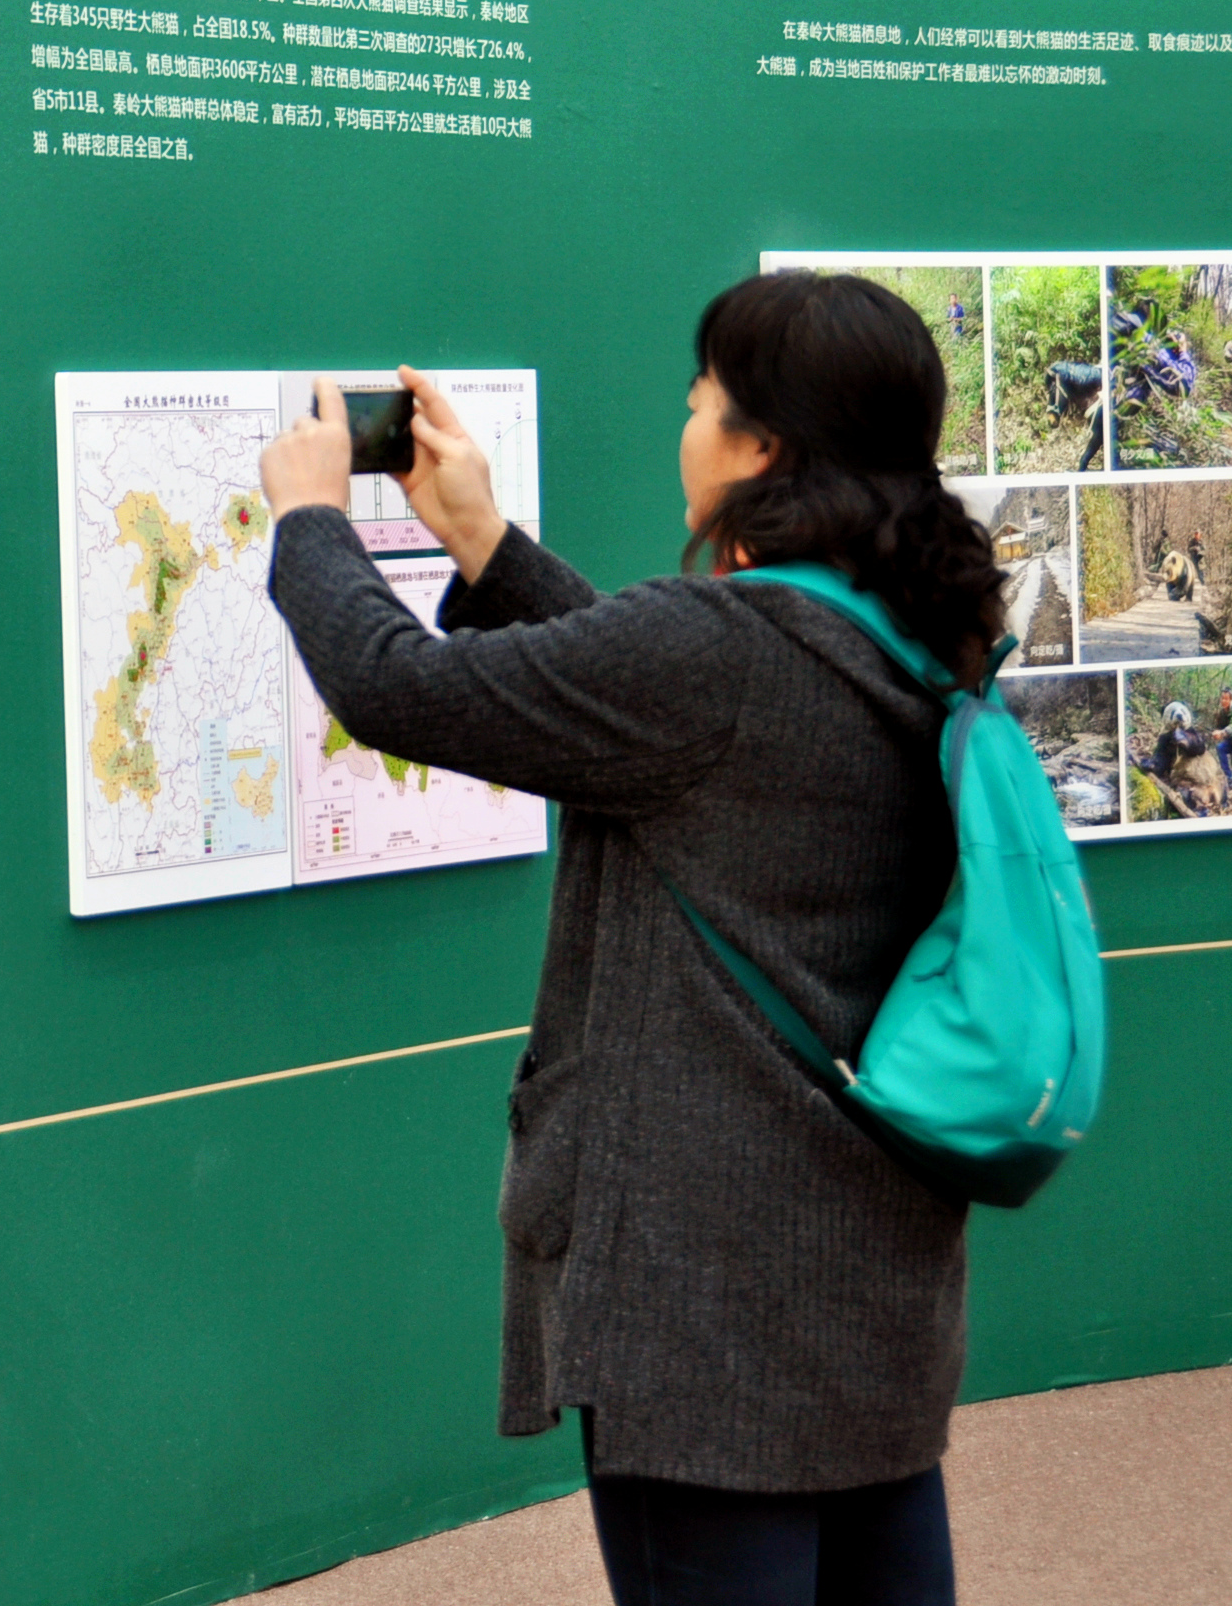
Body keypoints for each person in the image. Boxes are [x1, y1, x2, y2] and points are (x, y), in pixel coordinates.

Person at [259, 272, 997, 1606]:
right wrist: (488, 547)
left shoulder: (721, 654)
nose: (686, 422)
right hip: (873, 1290)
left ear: (763, 448)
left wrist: (312, 517)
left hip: (704, 1313)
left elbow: (394, 685)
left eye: (702, 401)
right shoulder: (912, 640)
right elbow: (678, 732)